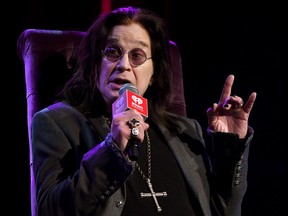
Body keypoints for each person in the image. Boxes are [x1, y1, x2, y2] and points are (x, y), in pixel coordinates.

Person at [31, 6, 257, 216]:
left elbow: (226, 211)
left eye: (137, 55)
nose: (124, 65)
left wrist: (230, 146)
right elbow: (50, 209)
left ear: (154, 74)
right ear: (95, 64)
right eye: (112, 52)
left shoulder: (185, 130)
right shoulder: (56, 122)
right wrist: (112, 151)